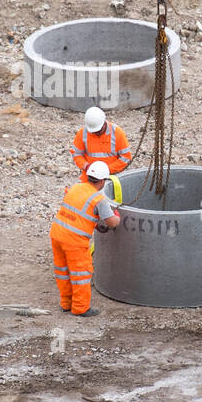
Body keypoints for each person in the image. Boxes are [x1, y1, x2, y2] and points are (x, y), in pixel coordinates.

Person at [50, 160, 121, 317]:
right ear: (102, 181)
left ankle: (66, 303)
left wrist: (93, 222)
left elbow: (78, 212)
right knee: (81, 273)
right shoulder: (98, 199)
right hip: (74, 241)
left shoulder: (75, 188)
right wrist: (116, 215)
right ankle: (80, 308)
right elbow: (112, 223)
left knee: (63, 271)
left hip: (57, 233)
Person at [71, 107, 132, 203]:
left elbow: (126, 157)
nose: (96, 133)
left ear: (104, 122)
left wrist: (106, 171)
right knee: (86, 204)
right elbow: (77, 154)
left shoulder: (117, 132)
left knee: (110, 205)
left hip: (112, 178)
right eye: (93, 132)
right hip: (90, 178)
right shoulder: (83, 133)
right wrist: (86, 166)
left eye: (98, 130)